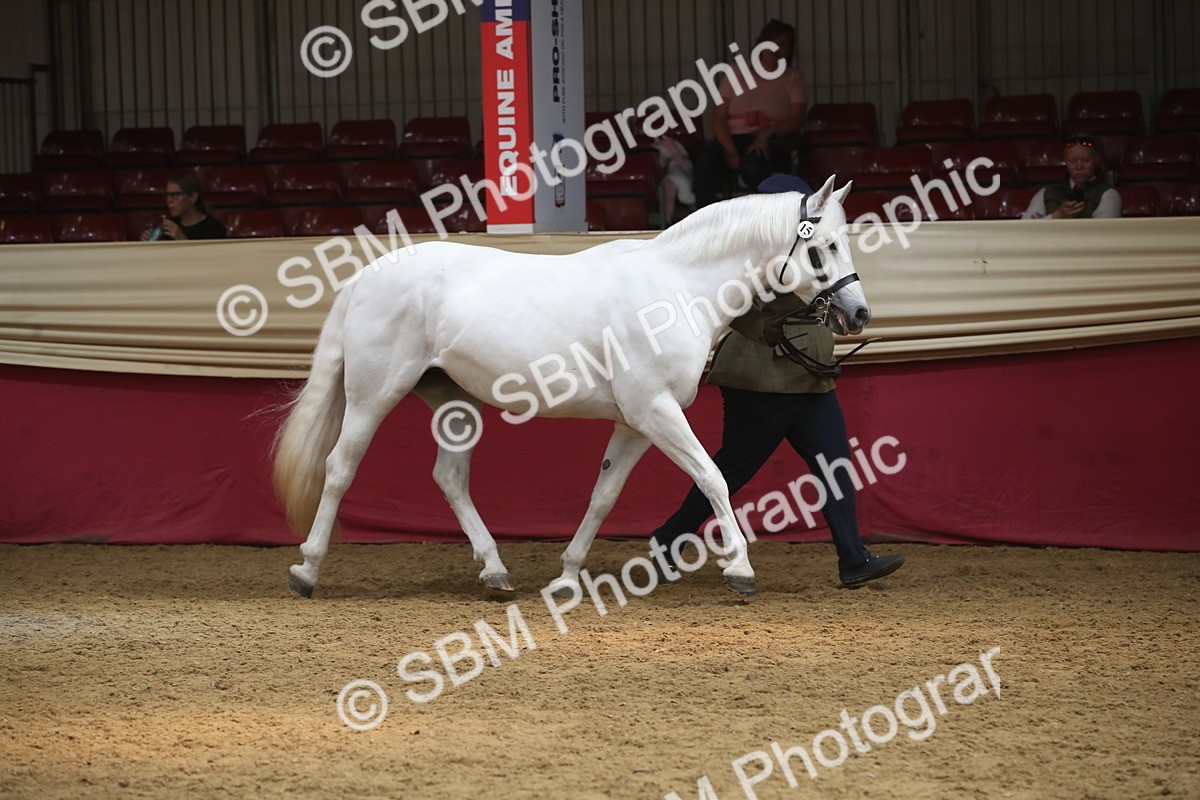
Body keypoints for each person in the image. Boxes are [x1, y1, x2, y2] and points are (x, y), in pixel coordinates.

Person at [649, 174, 905, 590]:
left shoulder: (810, 246)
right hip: (760, 378)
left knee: (835, 464)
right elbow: (730, 305)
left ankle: (853, 558)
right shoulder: (746, 251)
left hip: (811, 376)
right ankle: (669, 538)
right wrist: (761, 325)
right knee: (732, 469)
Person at [692, 19, 807, 208]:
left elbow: (796, 119)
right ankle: (704, 216)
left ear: (789, 50)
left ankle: (775, 213)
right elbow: (719, 117)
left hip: (770, 139)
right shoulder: (737, 72)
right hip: (732, 137)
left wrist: (768, 132)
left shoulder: (792, 77)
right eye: (772, 43)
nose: (776, 49)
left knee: (751, 165)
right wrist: (729, 150)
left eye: (783, 44)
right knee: (705, 161)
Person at [1022, 134, 1122, 219]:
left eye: (1086, 160)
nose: (1079, 166)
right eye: (1073, 161)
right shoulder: (1046, 193)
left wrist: (1046, 221)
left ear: (1096, 159)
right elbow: (1025, 229)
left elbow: (1104, 231)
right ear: (1065, 160)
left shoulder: (1108, 195)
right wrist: (1058, 216)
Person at [141, 173, 226, 241]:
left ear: (193, 197)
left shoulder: (213, 228)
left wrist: (182, 240)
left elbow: (211, 260)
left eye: (175, 195)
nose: (169, 200)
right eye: (168, 195)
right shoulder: (168, 226)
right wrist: (149, 244)